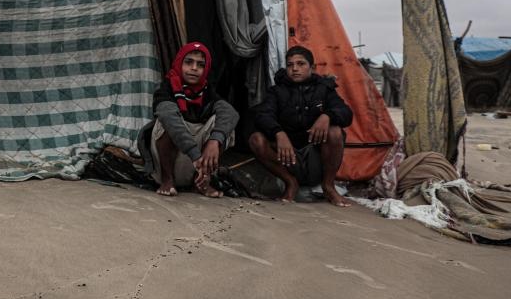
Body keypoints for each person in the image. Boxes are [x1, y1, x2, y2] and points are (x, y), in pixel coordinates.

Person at [247, 45, 353, 207]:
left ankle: (328, 186)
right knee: (256, 139)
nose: (295, 69)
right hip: (288, 157)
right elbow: (262, 115)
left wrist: (327, 116)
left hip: (315, 157)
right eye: (290, 65)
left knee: (335, 132)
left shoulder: (324, 89)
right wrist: (279, 133)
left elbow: (346, 113)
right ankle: (291, 183)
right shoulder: (277, 91)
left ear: (312, 67)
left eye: (301, 64)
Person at [138, 41, 239, 197]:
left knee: (223, 125)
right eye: (189, 62)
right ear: (179, 63)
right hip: (178, 161)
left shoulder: (207, 92)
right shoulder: (166, 89)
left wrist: (214, 141)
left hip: (197, 166)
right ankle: (167, 180)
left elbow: (230, 113)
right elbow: (169, 117)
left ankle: (200, 182)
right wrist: (194, 155)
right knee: (166, 122)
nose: (194, 68)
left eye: (200, 65)